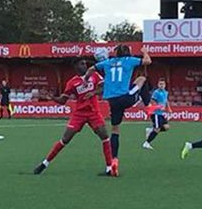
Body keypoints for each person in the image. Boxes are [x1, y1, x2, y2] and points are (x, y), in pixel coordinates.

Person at [33, 59, 114, 176]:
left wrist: (94, 92)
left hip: (94, 112)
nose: (85, 65)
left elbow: (103, 87)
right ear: (76, 66)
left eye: (85, 63)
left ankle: (109, 168)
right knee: (65, 139)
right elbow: (63, 100)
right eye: (82, 64)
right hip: (79, 114)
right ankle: (44, 163)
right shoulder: (72, 82)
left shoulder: (94, 75)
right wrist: (52, 97)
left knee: (105, 136)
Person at [87, 44, 152, 176]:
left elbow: (90, 69)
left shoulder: (108, 62)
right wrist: (145, 52)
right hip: (126, 98)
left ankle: (114, 162)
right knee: (142, 79)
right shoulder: (129, 60)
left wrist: (85, 80)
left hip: (112, 101)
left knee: (115, 130)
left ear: (116, 53)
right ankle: (149, 108)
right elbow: (148, 61)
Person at [143, 78, 173, 150]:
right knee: (157, 129)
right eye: (160, 84)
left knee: (166, 127)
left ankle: (151, 130)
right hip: (156, 113)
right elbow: (152, 101)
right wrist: (158, 106)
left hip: (161, 113)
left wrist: (169, 108)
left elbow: (166, 101)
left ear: (165, 85)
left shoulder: (166, 92)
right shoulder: (156, 92)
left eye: (163, 84)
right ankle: (146, 143)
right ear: (158, 85)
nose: (161, 85)